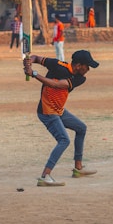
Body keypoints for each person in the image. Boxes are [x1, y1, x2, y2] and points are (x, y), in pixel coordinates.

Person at [23, 49, 99, 187]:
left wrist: (33, 73)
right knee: (64, 140)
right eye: (87, 66)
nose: (88, 69)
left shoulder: (79, 78)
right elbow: (36, 57)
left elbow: (56, 84)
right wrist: (29, 61)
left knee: (81, 128)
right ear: (78, 65)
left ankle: (78, 168)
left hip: (58, 111)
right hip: (47, 112)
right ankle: (45, 176)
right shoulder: (57, 64)